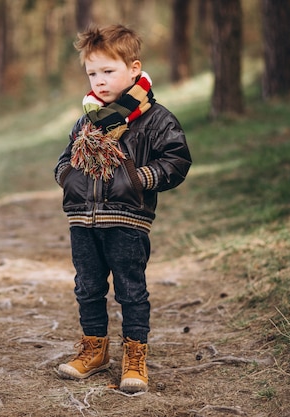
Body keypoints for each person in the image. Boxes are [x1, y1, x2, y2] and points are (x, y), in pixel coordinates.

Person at [54, 24, 192, 393]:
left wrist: (140, 178)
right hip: (83, 219)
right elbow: (64, 159)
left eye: (108, 71)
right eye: (92, 73)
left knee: (131, 290)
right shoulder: (87, 120)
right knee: (87, 287)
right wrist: (67, 176)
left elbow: (177, 161)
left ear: (134, 69)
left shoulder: (155, 118)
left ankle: (135, 356)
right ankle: (94, 350)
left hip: (128, 220)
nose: (98, 80)